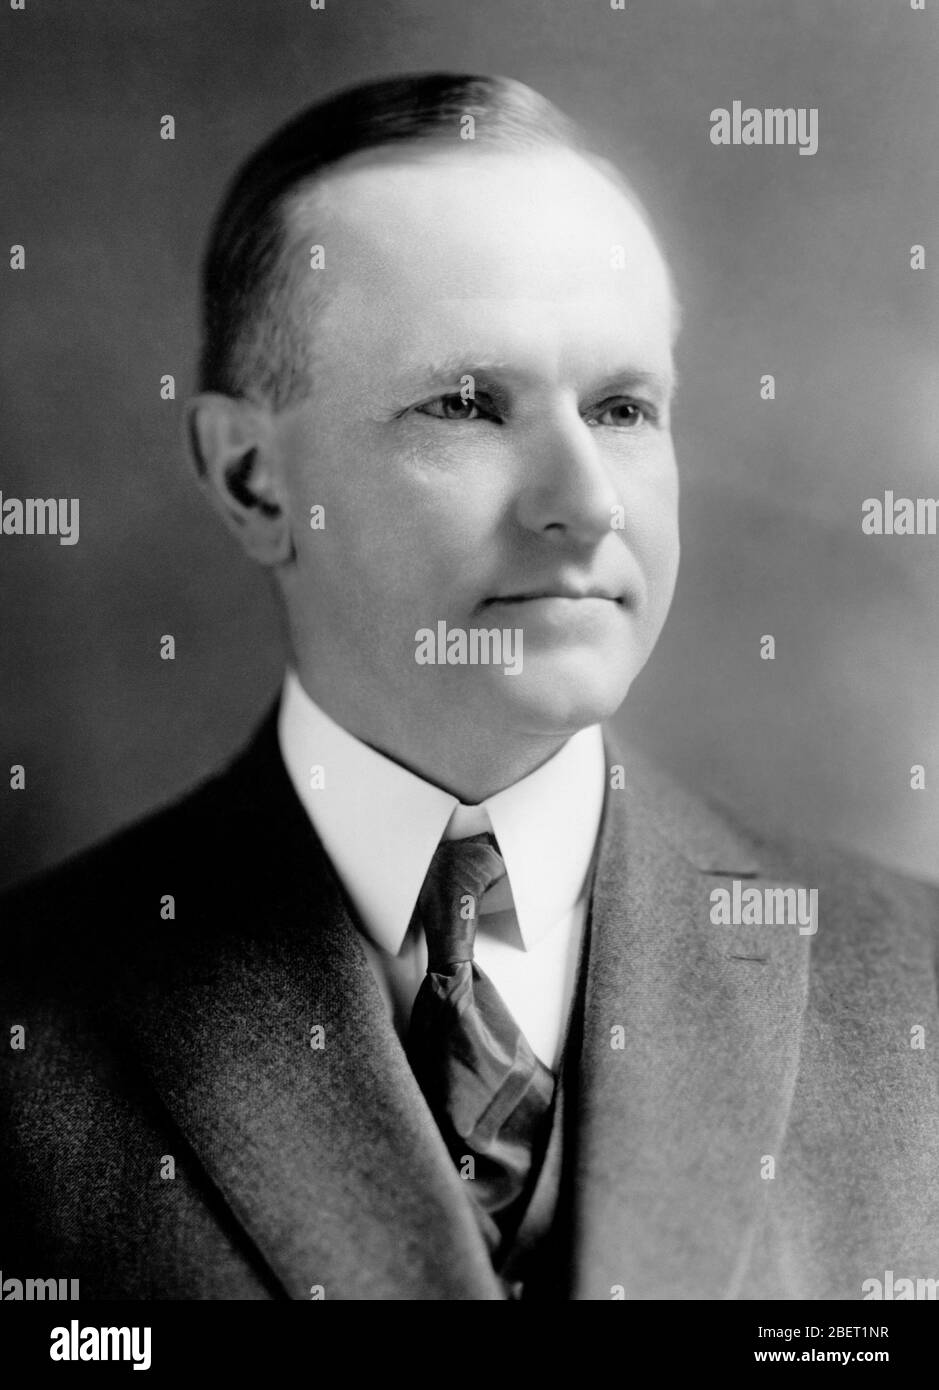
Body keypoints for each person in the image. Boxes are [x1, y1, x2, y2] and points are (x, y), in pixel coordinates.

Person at [1, 72, 937, 1302]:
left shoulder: (913, 987)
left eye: (621, 406)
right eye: (465, 404)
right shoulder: (38, 1030)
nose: (587, 498)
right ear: (251, 480)